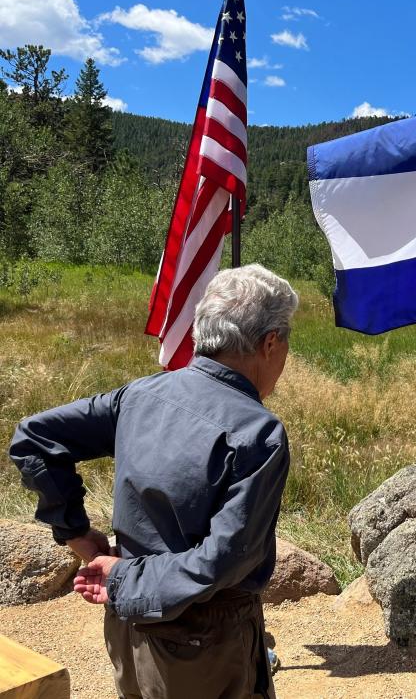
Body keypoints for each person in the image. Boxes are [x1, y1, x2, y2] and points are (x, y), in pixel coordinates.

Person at [9, 264, 298, 699]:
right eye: (286, 342)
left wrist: (77, 535)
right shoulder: (258, 433)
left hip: (127, 626)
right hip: (203, 640)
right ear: (270, 342)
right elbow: (224, 561)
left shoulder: (138, 396)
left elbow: (34, 437)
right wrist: (120, 576)